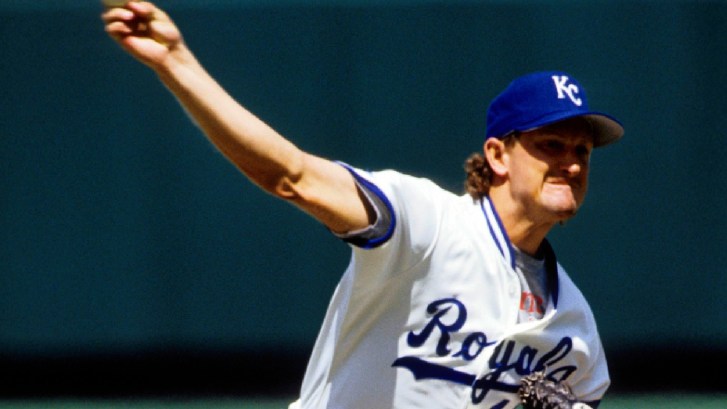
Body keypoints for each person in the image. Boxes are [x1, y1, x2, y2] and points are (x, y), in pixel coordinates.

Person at [102, 2, 624, 408]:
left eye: (582, 151)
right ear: (497, 155)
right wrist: (175, 62)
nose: (571, 164)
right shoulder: (426, 225)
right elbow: (291, 176)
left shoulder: (575, 326)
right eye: (550, 145)